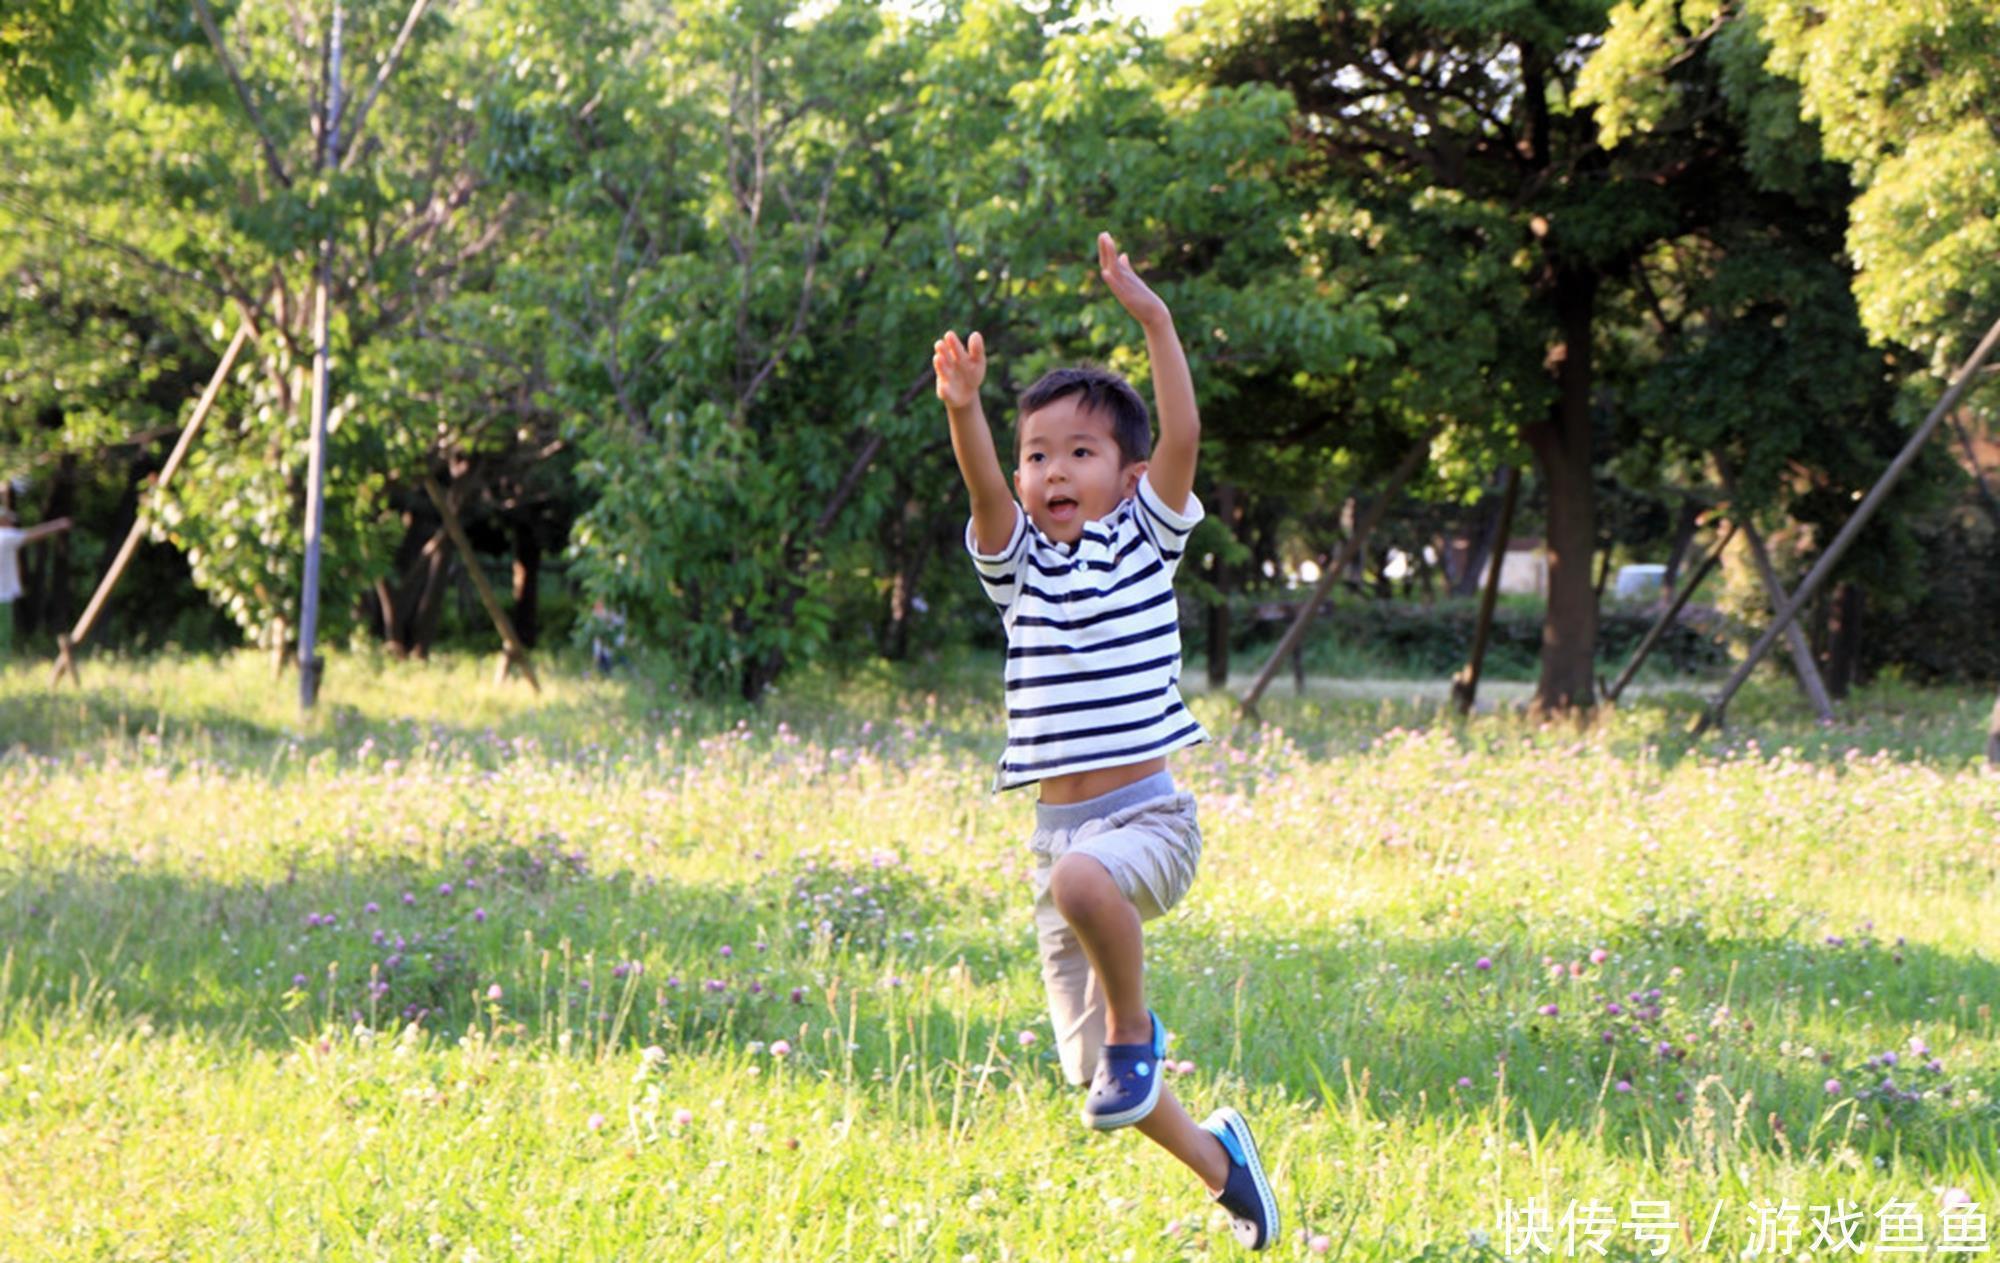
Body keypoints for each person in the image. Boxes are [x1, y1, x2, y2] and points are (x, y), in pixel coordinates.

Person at [933, 231, 1279, 1250]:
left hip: (1146, 824)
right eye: (1037, 454)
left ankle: (1137, 1030)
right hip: (1058, 845)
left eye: (1078, 453)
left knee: (1091, 896)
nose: (1050, 471)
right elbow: (985, 495)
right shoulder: (1016, 568)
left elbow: (1180, 433)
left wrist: (1153, 318)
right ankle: (1227, 1169)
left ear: (1126, 479)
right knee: (1100, 1091)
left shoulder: (1145, 536)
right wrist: (965, 415)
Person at [0, 507, 72, 659]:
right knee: (3, 638)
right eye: (9, 520)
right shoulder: (5, 536)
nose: (13, 523)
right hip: (2, 596)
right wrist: (59, 524)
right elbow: (33, 534)